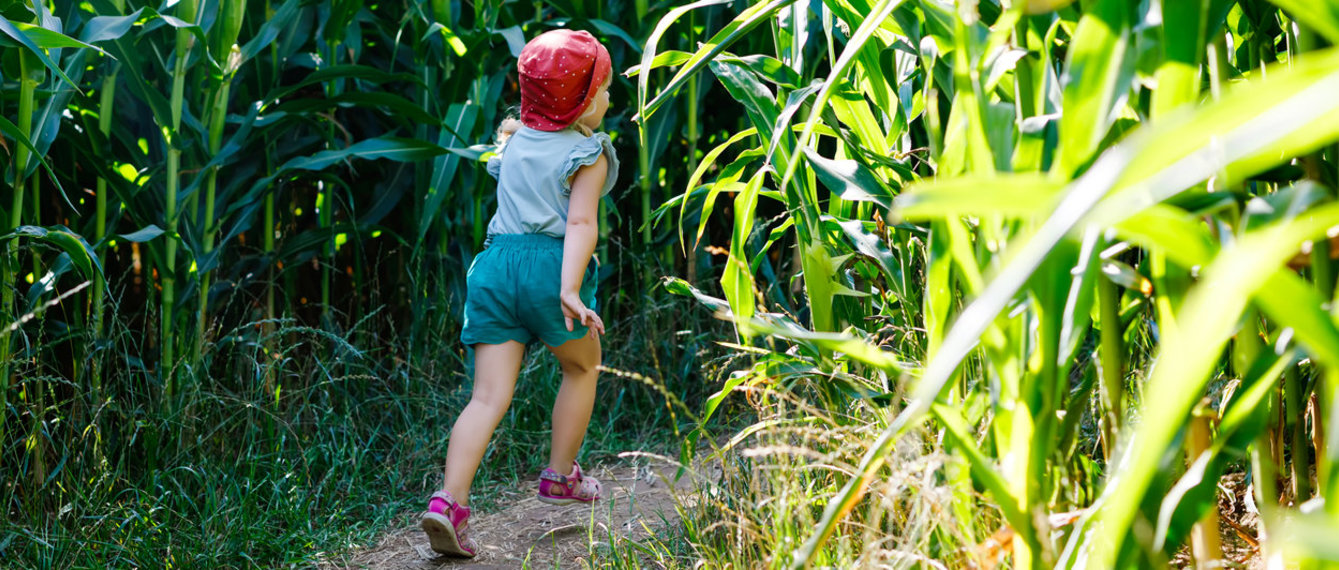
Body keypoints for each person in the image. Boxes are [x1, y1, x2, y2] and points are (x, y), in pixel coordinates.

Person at [419, 29, 618, 559]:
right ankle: (559, 475)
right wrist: (569, 289)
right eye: (601, 91)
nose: (609, 100)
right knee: (580, 368)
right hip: (549, 269)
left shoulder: (512, 140)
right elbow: (579, 222)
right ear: (578, 102)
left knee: (487, 397)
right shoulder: (589, 152)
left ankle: (448, 503)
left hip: (495, 265)